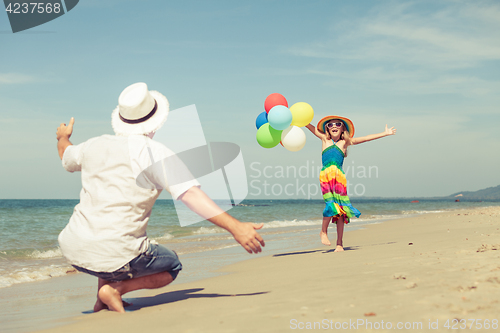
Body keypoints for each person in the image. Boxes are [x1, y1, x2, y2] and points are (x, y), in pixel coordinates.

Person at [56, 82, 265, 313]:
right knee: (172, 265)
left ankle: (101, 300)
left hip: (72, 248)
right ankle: (115, 291)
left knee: (110, 239)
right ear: (155, 120)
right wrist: (236, 227)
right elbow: (190, 195)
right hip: (117, 255)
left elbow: (66, 154)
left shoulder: (94, 144)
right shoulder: (155, 152)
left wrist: (63, 136)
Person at [305, 116, 396, 251]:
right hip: (325, 176)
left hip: (339, 178)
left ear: (343, 128)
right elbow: (309, 126)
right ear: (327, 129)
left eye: (337, 124)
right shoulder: (325, 139)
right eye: (330, 125)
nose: (334, 126)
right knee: (331, 204)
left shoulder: (345, 142)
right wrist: (298, 118)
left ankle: (339, 243)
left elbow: (365, 138)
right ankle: (323, 231)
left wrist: (385, 133)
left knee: (341, 211)